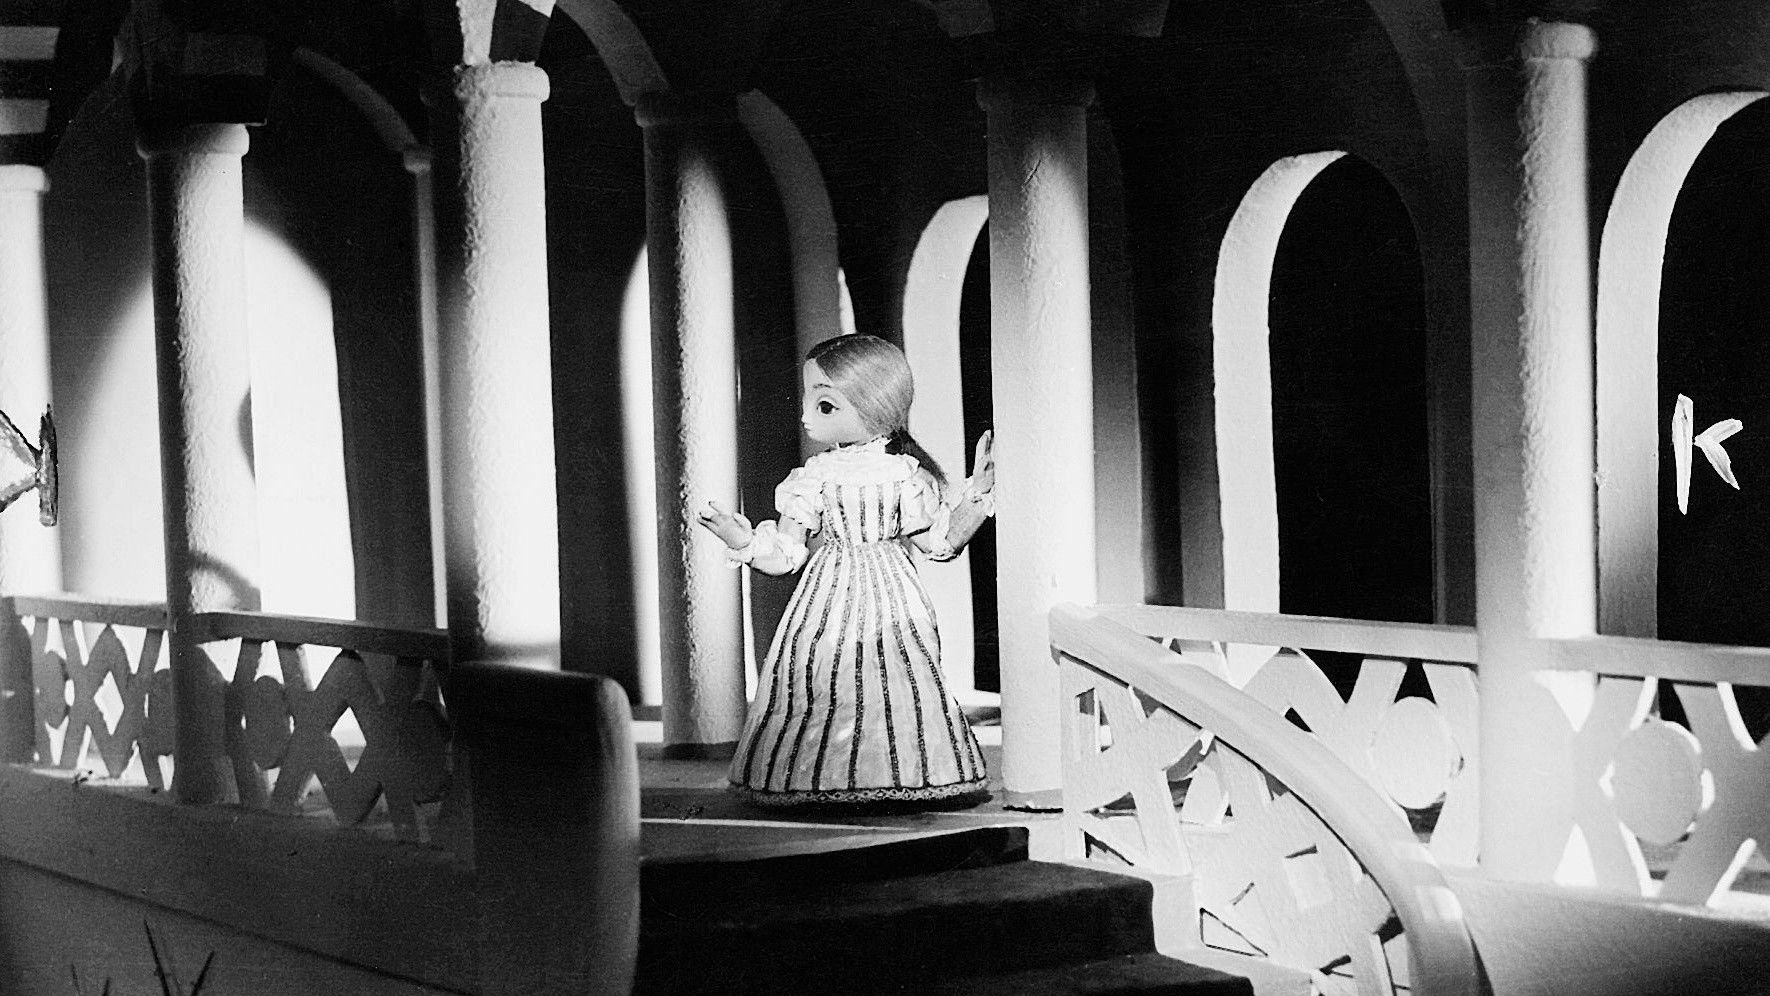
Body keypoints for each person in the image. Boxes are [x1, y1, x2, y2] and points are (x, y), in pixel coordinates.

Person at [696, 333, 996, 807]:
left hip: (893, 600)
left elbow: (939, 545)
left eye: (825, 405)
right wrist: (745, 541)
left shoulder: (904, 475)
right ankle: (820, 778)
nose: (806, 415)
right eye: (810, 401)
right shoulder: (814, 476)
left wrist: (977, 495)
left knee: (896, 680)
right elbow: (787, 554)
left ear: (875, 404)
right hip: (826, 599)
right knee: (821, 678)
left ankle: (898, 774)